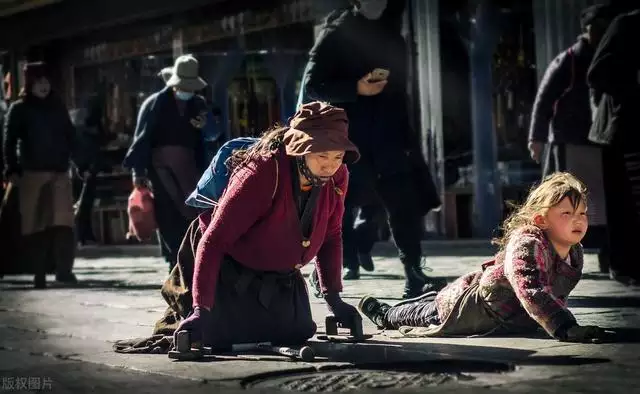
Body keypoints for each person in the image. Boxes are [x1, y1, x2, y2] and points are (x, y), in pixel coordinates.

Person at [174, 101, 362, 347]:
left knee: (297, 332)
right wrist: (201, 309)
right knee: (220, 336)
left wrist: (334, 299)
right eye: (321, 155)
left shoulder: (338, 175)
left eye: (337, 156)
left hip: (279, 274)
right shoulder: (263, 171)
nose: (329, 164)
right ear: (299, 149)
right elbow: (214, 240)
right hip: (229, 265)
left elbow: (331, 234)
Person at [358, 173, 612, 343]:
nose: (578, 219)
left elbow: (555, 291)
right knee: (424, 313)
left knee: (429, 302)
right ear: (540, 220)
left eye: (582, 212)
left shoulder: (574, 251)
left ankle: (428, 293)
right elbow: (531, 288)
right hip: (471, 307)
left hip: (512, 318)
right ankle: (384, 313)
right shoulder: (527, 243)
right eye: (567, 212)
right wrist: (565, 327)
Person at [300, 0, 444, 299]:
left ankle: (413, 273)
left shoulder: (393, 33)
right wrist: (356, 89)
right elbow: (314, 85)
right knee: (338, 208)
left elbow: (401, 90)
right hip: (350, 139)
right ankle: (323, 273)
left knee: (403, 204)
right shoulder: (336, 33)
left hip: (390, 136)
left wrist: (406, 139)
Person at [527, 4, 614, 272]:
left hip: (601, 141)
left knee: (602, 205)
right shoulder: (570, 59)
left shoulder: (611, 56)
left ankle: (609, 257)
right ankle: (558, 260)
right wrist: (537, 137)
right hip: (571, 140)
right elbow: (544, 100)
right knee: (568, 203)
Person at [123, 55, 209, 270]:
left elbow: (211, 134)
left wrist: (203, 125)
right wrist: (138, 173)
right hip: (160, 168)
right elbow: (141, 138)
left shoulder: (198, 105)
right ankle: (174, 260)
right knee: (167, 212)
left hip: (189, 168)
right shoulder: (154, 104)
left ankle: (191, 257)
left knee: (191, 212)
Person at [2, 62, 77, 288]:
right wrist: (12, 168)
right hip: (32, 173)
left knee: (63, 224)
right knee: (35, 226)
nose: (44, 86)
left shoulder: (57, 106)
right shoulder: (19, 109)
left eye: (46, 81)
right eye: (38, 82)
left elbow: (70, 135)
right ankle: (39, 274)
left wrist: (81, 161)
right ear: (30, 84)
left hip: (59, 172)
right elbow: (9, 141)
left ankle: (63, 271)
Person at [587, 6, 640, 285]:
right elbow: (597, 73)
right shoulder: (626, 24)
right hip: (625, 127)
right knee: (628, 201)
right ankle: (624, 265)